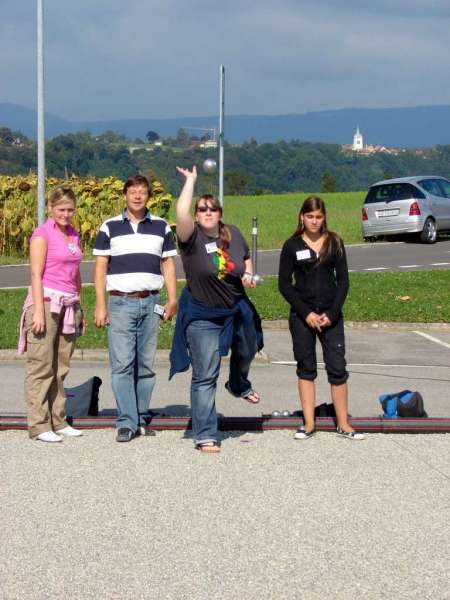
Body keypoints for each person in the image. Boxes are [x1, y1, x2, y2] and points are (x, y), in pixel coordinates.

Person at [170, 166, 263, 453]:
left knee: (249, 347)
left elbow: (244, 259)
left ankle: (237, 383)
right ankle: (205, 433)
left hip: (236, 308)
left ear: (220, 213)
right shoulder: (191, 238)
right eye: (202, 209)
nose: (207, 213)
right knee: (205, 374)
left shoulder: (232, 233)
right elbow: (180, 214)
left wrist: (248, 274)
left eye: (212, 209)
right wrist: (191, 182)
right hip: (203, 315)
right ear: (197, 216)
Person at [93, 175, 177, 443]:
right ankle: (126, 422)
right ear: (125, 195)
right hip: (120, 302)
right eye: (133, 192)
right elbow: (100, 267)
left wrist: (172, 299)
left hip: (151, 301)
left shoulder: (162, 227)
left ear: (148, 196)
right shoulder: (110, 227)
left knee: (146, 365)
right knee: (122, 365)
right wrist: (100, 304)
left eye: (142, 192)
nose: (138, 196)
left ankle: (140, 418)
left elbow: (169, 265)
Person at [278, 196, 364, 440]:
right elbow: (285, 285)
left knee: (337, 368)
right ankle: (308, 424)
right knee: (306, 368)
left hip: (330, 316)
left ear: (324, 218)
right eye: (310, 217)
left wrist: (332, 313)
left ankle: (344, 424)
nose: (314, 221)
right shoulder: (291, 245)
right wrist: (306, 313)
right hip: (303, 316)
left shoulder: (334, 242)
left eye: (318, 217)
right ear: (302, 217)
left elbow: (343, 282)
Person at [18, 186, 84, 442]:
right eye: (61, 209)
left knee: (61, 366)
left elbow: (76, 273)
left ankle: (59, 418)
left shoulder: (74, 235)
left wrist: (81, 307)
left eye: (70, 209)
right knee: (42, 365)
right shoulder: (42, 234)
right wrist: (38, 312)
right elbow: (35, 273)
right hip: (45, 302)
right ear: (51, 208)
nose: (66, 214)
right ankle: (39, 423)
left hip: (69, 303)